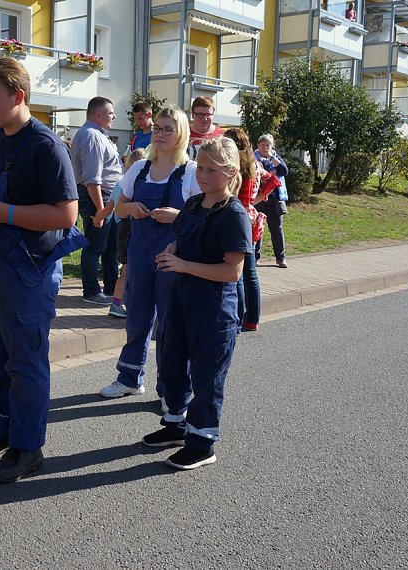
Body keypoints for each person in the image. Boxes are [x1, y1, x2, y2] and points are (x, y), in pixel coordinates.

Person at [0, 58, 85, 484]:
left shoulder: (45, 145)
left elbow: (66, 215)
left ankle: (28, 448)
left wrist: (5, 212)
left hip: (29, 271)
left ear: (18, 96)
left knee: (26, 363)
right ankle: (3, 433)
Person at [144, 137, 252, 470]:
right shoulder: (193, 204)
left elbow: (233, 271)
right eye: (200, 167)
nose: (202, 175)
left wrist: (184, 266)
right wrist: (174, 250)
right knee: (172, 363)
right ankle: (176, 425)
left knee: (208, 377)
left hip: (213, 309)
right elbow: (183, 237)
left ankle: (203, 443)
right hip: (181, 299)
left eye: (211, 170)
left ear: (231, 171)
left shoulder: (234, 215)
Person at [98, 106, 201, 401]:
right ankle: (130, 377)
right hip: (140, 253)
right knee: (137, 319)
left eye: (168, 128)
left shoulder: (191, 172)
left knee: (170, 325)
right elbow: (119, 206)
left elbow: (200, 218)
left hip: (173, 257)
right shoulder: (139, 168)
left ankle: (171, 389)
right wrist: (130, 209)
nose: (160, 134)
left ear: (181, 133)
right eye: (157, 128)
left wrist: (176, 216)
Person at [223, 128, 279, 332]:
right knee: (250, 272)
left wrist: (253, 200)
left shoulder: (235, 166)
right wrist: (259, 198)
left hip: (237, 219)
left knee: (236, 272)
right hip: (251, 218)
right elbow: (274, 180)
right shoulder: (254, 164)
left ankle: (236, 320)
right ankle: (252, 318)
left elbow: (236, 197)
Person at [71, 96, 123, 305]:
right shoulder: (92, 136)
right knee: (95, 246)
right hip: (97, 197)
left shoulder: (99, 134)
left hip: (108, 197)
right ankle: (91, 291)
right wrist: (101, 210)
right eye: (110, 113)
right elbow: (93, 179)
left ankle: (111, 288)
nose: (114, 116)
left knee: (111, 247)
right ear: (98, 114)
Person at [94, 147, 149, 318]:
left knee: (125, 269)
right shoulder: (138, 183)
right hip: (131, 228)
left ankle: (118, 302)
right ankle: (122, 303)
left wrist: (98, 218)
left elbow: (109, 207)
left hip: (121, 231)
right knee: (130, 270)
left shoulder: (120, 183)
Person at [254, 134, 290, 268]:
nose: (265, 147)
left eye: (268, 145)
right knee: (257, 226)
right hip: (258, 198)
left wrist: (271, 159)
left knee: (277, 229)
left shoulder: (275, 158)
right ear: (258, 145)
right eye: (262, 144)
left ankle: (280, 258)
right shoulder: (253, 158)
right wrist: (272, 173)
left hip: (274, 199)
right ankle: (255, 257)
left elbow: (284, 170)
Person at [187, 96, 225, 160]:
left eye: (208, 115)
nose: (204, 119)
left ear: (213, 114)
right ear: (193, 114)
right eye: (200, 115)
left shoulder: (223, 135)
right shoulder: (183, 134)